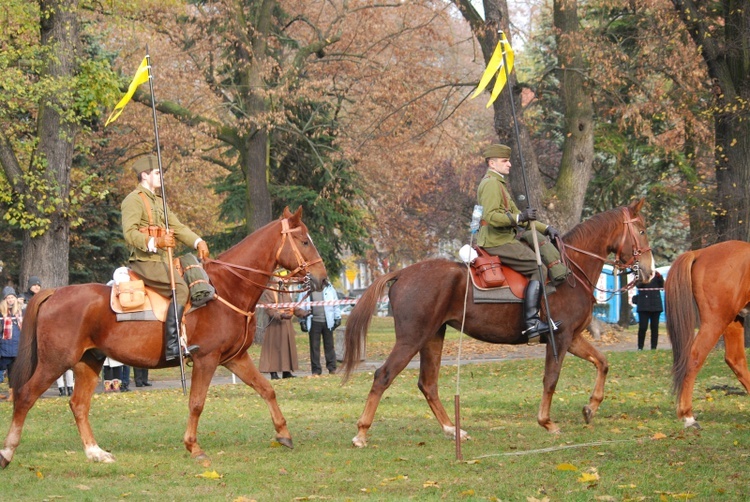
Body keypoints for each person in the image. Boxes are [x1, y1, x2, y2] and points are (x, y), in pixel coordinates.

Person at [121, 154, 209, 361]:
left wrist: (198, 241)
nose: (161, 177)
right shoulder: (133, 200)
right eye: (157, 173)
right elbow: (130, 233)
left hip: (163, 260)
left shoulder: (159, 202)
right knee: (180, 289)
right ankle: (172, 346)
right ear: (144, 175)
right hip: (145, 261)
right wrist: (155, 243)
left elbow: (177, 227)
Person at [477, 144, 561, 343]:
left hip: (503, 238)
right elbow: (491, 216)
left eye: (508, 160)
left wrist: (545, 228)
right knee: (538, 267)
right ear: (492, 163)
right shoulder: (490, 184)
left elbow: (519, 216)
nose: (510, 164)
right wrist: (518, 217)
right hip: (496, 241)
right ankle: (532, 322)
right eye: (505, 161)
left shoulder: (499, 184)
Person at [258, 277, 307, 379]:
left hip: (287, 325)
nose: (284, 280)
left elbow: (292, 306)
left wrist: (303, 313)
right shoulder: (270, 291)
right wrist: (280, 315)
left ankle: (286, 372)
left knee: (286, 349)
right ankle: (273, 373)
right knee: (273, 350)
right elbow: (269, 309)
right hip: (275, 326)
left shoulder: (285, 291)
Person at [299, 279, 341, 376]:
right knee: (314, 348)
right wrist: (302, 321)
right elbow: (300, 305)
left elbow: (336, 304)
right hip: (313, 322)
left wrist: (337, 317)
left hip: (328, 322)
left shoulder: (330, 289)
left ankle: (332, 368)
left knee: (329, 346)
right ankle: (316, 370)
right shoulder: (306, 289)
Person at [0, 286, 22, 402]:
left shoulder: (19, 313)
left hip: (16, 348)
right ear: (5, 299)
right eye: (8, 298)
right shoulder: (1, 313)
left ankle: (12, 393)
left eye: (12, 297)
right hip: (4, 348)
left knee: (13, 373)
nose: (10, 300)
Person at [633, 270, 664, 350]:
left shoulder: (657, 275)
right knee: (643, 327)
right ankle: (640, 347)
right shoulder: (641, 274)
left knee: (655, 328)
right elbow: (638, 285)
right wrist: (645, 278)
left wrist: (659, 277)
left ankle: (654, 347)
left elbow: (662, 285)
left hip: (656, 305)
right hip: (643, 306)